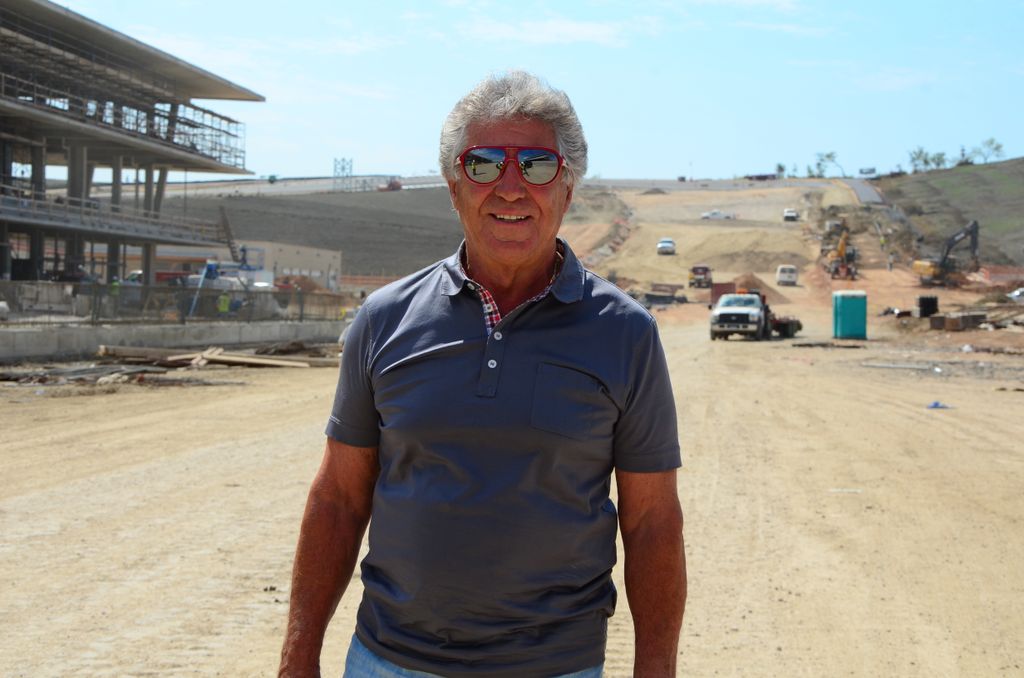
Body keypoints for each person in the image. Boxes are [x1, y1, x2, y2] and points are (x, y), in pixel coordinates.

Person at [279, 71, 686, 678]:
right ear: (453, 187)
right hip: (388, 662)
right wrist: (297, 656)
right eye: (485, 163)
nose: (511, 187)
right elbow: (337, 498)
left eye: (538, 165)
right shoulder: (384, 319)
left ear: (568, 190)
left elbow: (652, 522)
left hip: (556, 667)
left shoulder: (626, 333)